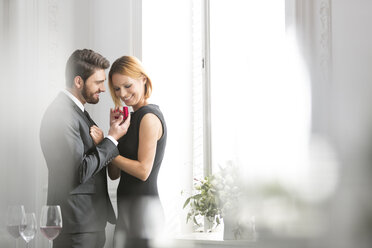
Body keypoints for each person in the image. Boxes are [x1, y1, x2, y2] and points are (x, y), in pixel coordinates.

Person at [39, 49, 130, 248]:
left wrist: (110, 136)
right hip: (76, 228)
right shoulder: (61, 114)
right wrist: (112, 139)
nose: (104, 89)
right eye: (98, 83)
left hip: (87, 224)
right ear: (79, 82)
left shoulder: (77, 112)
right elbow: (78, 171)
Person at [106, 56, 167, 248]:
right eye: (117, 88)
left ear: (143, 79)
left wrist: (105, 146)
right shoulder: (129, 120)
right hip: (126, 211)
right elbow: (114, 175)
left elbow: (143, 171)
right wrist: (113, 135)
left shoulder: (149, 117)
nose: (122, 93)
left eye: (127, 85)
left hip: (145, 212)